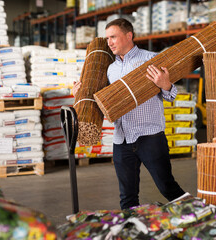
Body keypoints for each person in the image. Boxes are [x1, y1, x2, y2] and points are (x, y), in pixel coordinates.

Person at [73, 18, 187, 210]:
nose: (109, 42)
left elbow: (172, 96)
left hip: (149, 137)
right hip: (122, 140)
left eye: (114, 37)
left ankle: (201, 216)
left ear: (128, 36)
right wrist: (80, 94)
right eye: (108, 38)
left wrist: (165, 85)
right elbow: (103, 102)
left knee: (167, 187)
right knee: (127, 197)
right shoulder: (110, 69)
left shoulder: (152, 59)